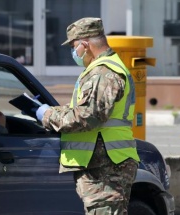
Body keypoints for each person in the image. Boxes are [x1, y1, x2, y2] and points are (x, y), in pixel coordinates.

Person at [35, 17, 140, 215]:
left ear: (85, 44)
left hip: (107, 167)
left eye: (74, 46)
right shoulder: (101, 69)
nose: (73, 52)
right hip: (105, 164)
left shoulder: (103, 72)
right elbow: (86, 109)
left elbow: (87, 117)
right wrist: (54, 111)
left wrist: (47, 115)